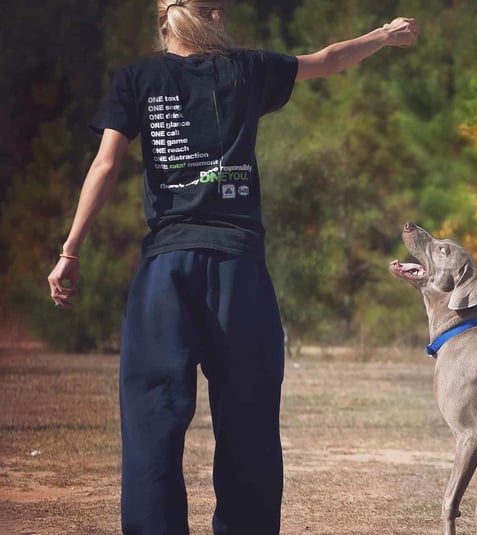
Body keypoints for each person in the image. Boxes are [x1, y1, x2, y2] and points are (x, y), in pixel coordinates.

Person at [46, 1, 419, 533]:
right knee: (249, 423)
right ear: (213, 16)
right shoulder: (245, 67)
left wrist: (70, 250)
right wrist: (384, 35)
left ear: (164, 21)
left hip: (165, 272)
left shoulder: (136, 79)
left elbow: (106, 164)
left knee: (152, 422)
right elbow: (329, 59)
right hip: (237, 271)